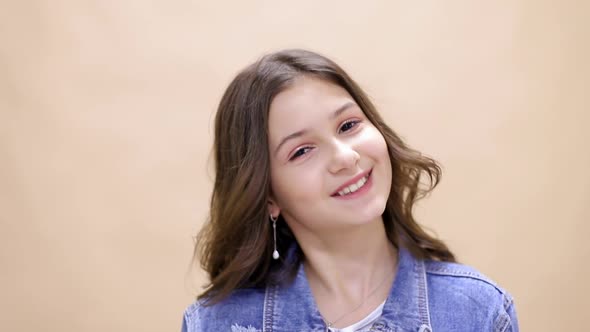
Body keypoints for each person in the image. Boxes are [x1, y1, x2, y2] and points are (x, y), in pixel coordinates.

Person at [182, 49, 519, 332]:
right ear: (268, 197)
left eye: (348, 125)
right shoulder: (214, 323)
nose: (345, 157)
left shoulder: (479, 312)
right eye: (301, 151)